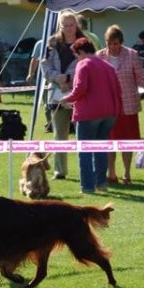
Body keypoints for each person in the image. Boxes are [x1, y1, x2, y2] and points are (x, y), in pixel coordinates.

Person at [97, 24, 144, 184]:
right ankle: (111, 173)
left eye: (116, 43)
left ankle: (126, 173)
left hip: (128, 106)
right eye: (110, 43)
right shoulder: (99, 56)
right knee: (109, 142)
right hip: (108, 107)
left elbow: (141, 77)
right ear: (106, 42)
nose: (113, 47)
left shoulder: (132, 55)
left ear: (121, 42)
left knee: (127, 141)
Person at [60, 37, 122, 194]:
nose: (76, 58)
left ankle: (87, 187)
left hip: (88, 114)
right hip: (110, 113)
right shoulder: (108, 66)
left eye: (76, 55)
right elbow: (117, 89)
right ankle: (101, 183)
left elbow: (80, 88)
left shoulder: (83, 64)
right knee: (101, 149)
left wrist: (66, 98)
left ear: (80, 52)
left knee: (85, 151)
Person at [41, 10, 84, 179]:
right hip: (56, 93)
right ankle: (60, 170)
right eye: (64, 25)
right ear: (60, 26)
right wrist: (57, 78)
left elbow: (89, 64)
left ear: (76, 25)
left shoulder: (84, 42)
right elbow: (45, 66)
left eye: (71, 25)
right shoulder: (51, 42)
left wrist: (70, 79)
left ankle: (85, 171)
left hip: (80, 93)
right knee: (59, 134)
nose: (68, 28)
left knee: (83, 134)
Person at [26, 38, 52, 132]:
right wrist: (31, 74)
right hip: (44, 78)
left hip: (59, 78)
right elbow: (34, 60)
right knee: (46, 103)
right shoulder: (40, 44)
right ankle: (50, 124)